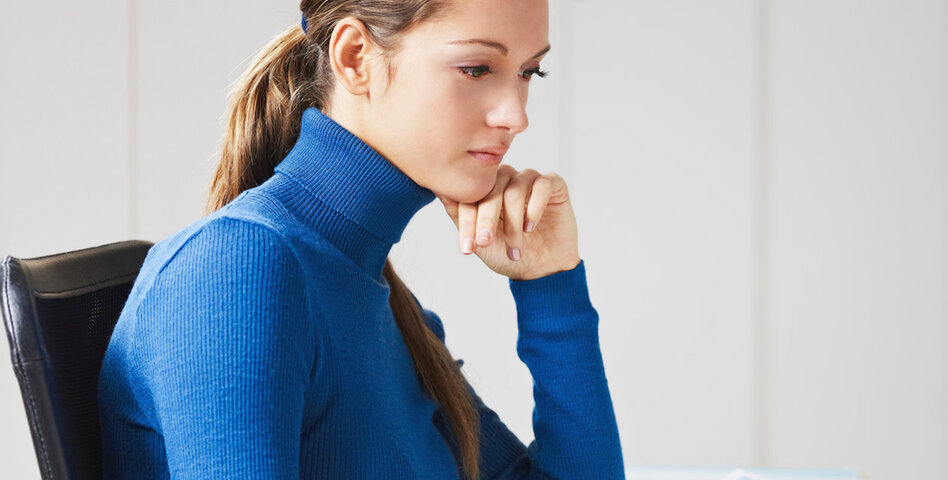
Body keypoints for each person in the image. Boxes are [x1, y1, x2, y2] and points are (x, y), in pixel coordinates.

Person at [96, 0, 623, 478]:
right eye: (477, 69)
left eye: (530, 71)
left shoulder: (379, 296)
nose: (516, 116)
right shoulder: (238, 267)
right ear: (354, 58)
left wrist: (550, 284)